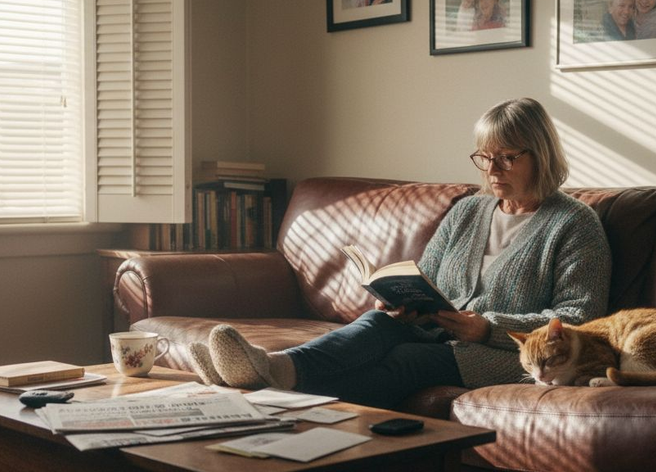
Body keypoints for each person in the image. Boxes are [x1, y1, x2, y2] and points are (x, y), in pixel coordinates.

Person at [187, 99, 612, 409]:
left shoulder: (574, 223)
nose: (491, 170)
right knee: (375, 324)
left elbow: (581, 317)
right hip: (434, 329)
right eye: (484, 157)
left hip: (506, 353)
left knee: (408, 358)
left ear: (540, 155)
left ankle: (265, 390)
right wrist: (399, 300)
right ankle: (271, 368)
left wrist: (487, 329)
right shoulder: (467, 211)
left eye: (506, 158)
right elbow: (425, 275)